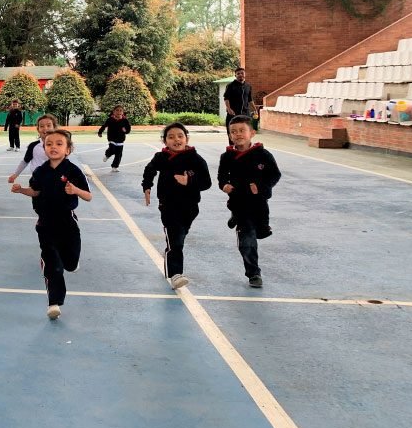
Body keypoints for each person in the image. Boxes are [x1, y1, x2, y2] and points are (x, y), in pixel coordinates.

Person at [10, 129, 93, 320]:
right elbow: (36, 192)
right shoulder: (40, 171)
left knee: (70, 264)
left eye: (58, 143)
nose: (53, 147)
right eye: (49, 144)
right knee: (53, 264)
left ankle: (71, 263)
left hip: (67, 223)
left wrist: (75, 190)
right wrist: (21, 190)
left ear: (68, 149)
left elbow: (88, 196)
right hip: (45, 223)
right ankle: (54, 303)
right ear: (44, 148)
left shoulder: (73, 171)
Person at [141, 123, 212, 290]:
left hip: (190, 207)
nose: (176, 139)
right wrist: (147, 186)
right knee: (176, 239)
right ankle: (176, 274)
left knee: (180, 236)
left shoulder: (195, 159)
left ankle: (170, 258)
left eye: (180, 136)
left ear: (187, 138)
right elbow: (149, 169)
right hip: (168, 205)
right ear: (165, 141)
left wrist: (189, 181)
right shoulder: (161, 157)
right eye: (171, 137)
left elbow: (206, 182)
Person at [217, 115, 281, 288]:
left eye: (242, 130)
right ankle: (253, 273)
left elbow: (275, 175)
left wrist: (261, 187)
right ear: (230, 135)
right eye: (233, 132)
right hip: (238, 200)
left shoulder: (263, 154)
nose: (238, 134)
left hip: (258, 201)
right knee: (247, 240)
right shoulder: (227, 157)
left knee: (260, 230)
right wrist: (224, 186)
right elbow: (222, 177)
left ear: (252, 133)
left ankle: (257, 224)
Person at [7, 113, 58, 184]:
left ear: (54, 128)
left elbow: (64, 163)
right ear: (38, 129)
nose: (45, 128)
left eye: (49, 125)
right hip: (37, 180)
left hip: (55, 180)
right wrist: (15, 175)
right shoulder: (33, 146)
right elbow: (25, 162)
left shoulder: (60, 146)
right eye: (42, 126)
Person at [224, 67, 256, 143]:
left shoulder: (248, 86)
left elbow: (250, 100)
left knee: (246, 132)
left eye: (242, 73)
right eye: (238, 74)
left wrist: (254, 109)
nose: (240, 75)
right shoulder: (230, 86)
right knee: (232, 133)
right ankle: (232, 150)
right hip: (233, 114)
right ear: (235, 75)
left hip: (245, 114)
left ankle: (245, 151)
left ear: (245, 74)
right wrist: (229, 108)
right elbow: (226, 98)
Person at [97, 105, 131, 172]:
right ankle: (107, 155)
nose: (119, 112)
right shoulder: (110, 119)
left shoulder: (125, 120)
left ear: (123, 112)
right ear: (113, 112)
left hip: (121, 139)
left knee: (118, 154)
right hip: (111, 138)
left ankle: (114, 166)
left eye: (120, 110)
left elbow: (128, 129)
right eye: (117, 110)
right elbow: (104, 126)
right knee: (112, 149)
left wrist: (125, 131)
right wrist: (100, 132)